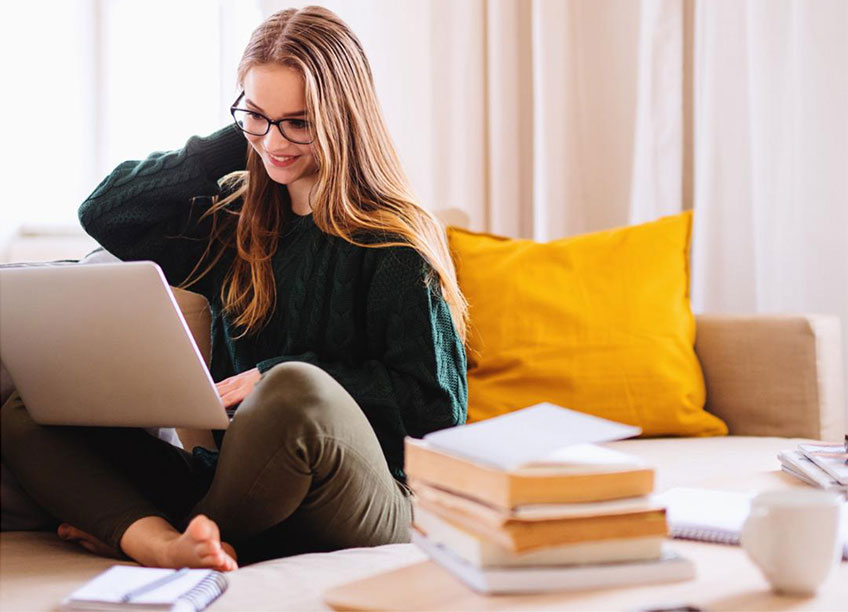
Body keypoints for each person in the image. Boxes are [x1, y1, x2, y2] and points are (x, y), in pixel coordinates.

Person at [0, 6, 467, 571]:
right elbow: (106, 212)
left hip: (364, 493)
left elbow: (439, 410)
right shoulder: (233, 223)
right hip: (237, 484)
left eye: (299, 123)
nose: (275, 143)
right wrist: (240, 138)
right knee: (31, 412)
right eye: (256, 116)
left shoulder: (393, 241)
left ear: (342, 118)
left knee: (293, 388)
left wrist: (276, 375)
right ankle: (166, 543)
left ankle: (182, 534)